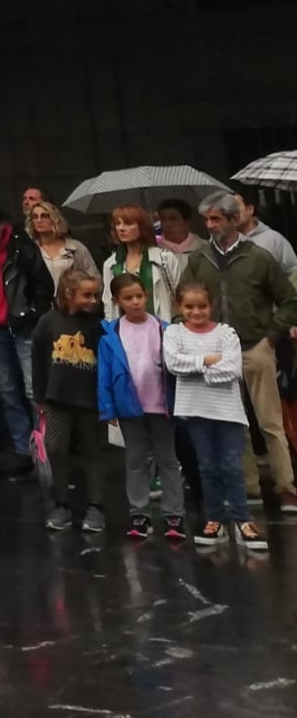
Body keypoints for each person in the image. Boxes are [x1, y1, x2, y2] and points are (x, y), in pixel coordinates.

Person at [178, 191, 297, 516]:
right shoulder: (200, 260)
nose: (210, 224)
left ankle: (286, 486)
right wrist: (192, 337)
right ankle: (249, 487)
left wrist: (271, 337)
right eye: (207, 219)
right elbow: (183, 299)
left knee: (270, 421)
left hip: (255, 345)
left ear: (234, 219)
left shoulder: (258, 256)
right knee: (235, 421)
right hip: (218, 350)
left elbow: (290, 300)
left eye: (216, 218)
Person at [165, 281, 264, 550]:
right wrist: (209, 360)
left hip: (228, 412)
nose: (196, 312)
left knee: (232, 466)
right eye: (189, 306)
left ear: (212, 306)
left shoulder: (226, 333)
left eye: (202, 306)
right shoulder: (174, 333)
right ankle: (215, 519)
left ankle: (243, 520)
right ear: (179, 307)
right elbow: (174, 364)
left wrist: (197, 368)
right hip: (194, 411)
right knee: (207, 467)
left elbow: (232, 369)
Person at [98, 272, 186, 542]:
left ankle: (174, 513)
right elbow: (104, 373)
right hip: (128, 407)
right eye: (128, 298)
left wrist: (179, 403)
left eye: (139, 296)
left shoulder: (164, 329)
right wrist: (107, 408)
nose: (135, 302)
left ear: (146, 295)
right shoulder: (110, 334)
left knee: (168, 459)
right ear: (116, 301)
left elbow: (176, 369)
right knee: (135, 460)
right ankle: (139, 512)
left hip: (161, 405)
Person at [0, 206, 54, 475]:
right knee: (7, 390)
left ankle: (43, 447)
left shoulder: (22, 247)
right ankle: (22, 448)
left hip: (22, 325)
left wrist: (32, 314)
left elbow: (43, 284)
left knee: (33, 390)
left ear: (3, 225)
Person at [34, 269, 112, 535]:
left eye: (96, 295)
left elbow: (108, 363)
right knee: (56, 448)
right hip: (57, 398)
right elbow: (37, 360)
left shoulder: (98, 325)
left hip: (90, 400)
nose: (93, 300)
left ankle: (96, 506)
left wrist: (108, 399)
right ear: (69, 294)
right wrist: (40, 397)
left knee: (93, 450)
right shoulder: (48, 322)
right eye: (87, 295)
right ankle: (61, 504)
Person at [101, 205, 180, 322]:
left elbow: (179, 295)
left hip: (162, 328)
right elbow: (109, 303)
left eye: (128, 223)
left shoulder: (164, 258)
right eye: (118, 224)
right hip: (124, 331)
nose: (121, 228)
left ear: (142, 226)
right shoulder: (111, 264)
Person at [26, 201, 92, 286]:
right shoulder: (30, 251)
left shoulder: (75, 248)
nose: (39, 220)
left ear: (54, 219)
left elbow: (93, 277)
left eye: (44, 216)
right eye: (35, 217)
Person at [235, 191, 297, 277]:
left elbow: (293, 272)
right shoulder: (226, 241)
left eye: (235, 207)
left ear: (250, 209)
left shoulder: (274, 239)